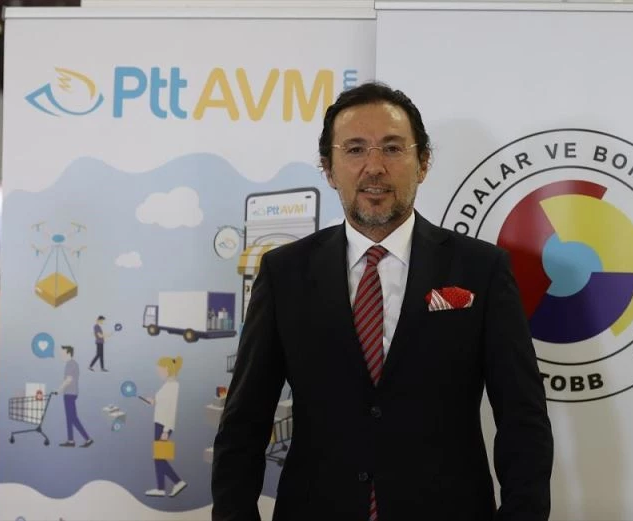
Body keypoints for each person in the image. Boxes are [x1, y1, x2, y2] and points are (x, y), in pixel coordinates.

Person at [212, 82, 553, 520]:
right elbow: (244, 423)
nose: (374, 167)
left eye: (392, 148)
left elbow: (523, 420)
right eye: (355, 149)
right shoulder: (284, 273)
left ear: (423, 163)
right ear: (328, 169)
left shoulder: (482, 270)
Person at [144, 356, 187, 498]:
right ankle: (161, 488)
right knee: (159, 456)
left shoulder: (173, 386)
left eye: (160, 370)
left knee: (159, 457)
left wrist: (166, 430)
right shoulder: (168, 384)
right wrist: (153, 401)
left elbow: (171, 409)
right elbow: (163, 403)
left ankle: (177, 482)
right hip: (160, 423)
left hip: (163, 425)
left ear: (167, 369)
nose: (158, 373)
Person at [57, 345, 93, 448]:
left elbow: (69, 379)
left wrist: (58, 390)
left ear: (68, 353)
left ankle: (88, 439)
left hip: (70, 393)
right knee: (70, 417)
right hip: (71, 393)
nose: (61, 355)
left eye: (63, 353)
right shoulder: (72, 364)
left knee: (72, 417)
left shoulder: (70, 364)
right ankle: (71, 440)